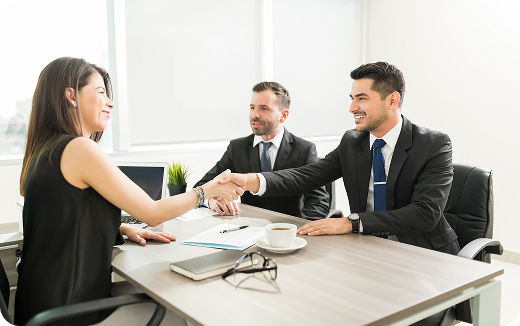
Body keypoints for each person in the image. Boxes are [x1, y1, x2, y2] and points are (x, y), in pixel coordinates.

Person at [15, 57, 243, 326]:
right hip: (70, 312)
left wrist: (122, 228)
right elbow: (153, 212)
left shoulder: (45, 151)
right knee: (184, 313)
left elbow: (64, 218)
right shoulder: (78, 148)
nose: (110, 102)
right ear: (71, 96)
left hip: (42, 305)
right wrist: (207, 190)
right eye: (101, 92)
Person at [220, 62, 460, 256]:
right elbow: (309, 175)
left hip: (422, 253)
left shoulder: (433, 144)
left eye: (362, 98)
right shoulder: (353, 141)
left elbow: (425, 214)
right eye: (352, 97)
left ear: (392, 100)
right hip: (367, 249)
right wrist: (252, 180)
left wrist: (351, 223)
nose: (352, 107)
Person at [193, 81, 329, 220]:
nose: (255, 115)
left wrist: (300, 232)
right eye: (252, 107)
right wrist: (211, 201)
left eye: (264, 108)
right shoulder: (237, 147)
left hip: (287, 232)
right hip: (248, 229)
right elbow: (200, 187)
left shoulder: (304, 150)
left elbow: (318, 203)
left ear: (284, 115)